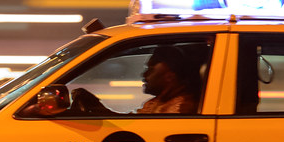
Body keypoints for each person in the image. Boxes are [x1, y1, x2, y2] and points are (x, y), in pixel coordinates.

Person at [71, 44, 205, 115]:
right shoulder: (159, 102)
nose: (144, 74)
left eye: (151, 69)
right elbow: (130, 123)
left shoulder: (182, 108)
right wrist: (97, 108)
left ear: (170, 76)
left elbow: (143, 130)